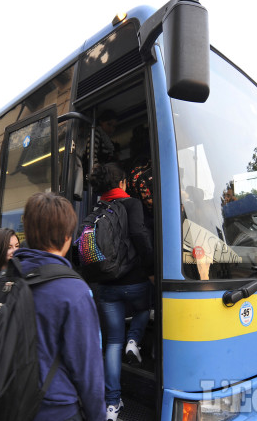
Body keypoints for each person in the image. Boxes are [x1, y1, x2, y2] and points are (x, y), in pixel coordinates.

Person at [16, 192, 104, 421]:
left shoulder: (5, 279)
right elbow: (89, 372)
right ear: (67, 237)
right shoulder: (74, 291)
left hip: (9, 402)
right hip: (56, 409)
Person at [91, 162, 154, 421]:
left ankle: (112, 405)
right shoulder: (133, 205)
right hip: (136, 282)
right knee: (145, 307)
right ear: (123, 183)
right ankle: (134, 340)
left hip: (106, 286)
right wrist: (151, 269)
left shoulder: (97, 209)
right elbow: (139, 235)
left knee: (111, 344)